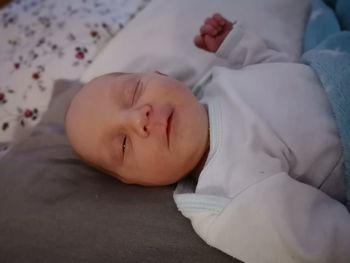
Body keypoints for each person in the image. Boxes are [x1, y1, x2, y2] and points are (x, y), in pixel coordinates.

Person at [65, 13, 350, 263]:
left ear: (161, 74)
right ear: (138, 182)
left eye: (134, 92)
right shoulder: (230, 194)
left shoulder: (215, 87)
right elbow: (326, 244)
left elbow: (280, 75)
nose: (139, 118)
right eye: (124, 144)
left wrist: (239, 46)